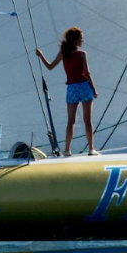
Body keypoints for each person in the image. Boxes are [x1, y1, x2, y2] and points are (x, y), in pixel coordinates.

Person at [36, 26, 97, 156]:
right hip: (84, 87)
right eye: (81, 38)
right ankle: (91, 148)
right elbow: (87, 73)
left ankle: (67, 150)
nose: (83, 40)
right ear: (75, 41)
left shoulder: (64, 53)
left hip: (72, 89)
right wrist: (94, 89)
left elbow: (50, 67)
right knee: (88, 121)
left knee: (71, 121)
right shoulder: (82, 54)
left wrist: (41, 55)